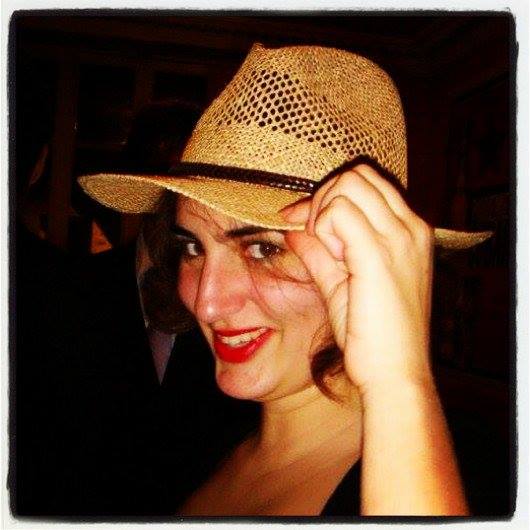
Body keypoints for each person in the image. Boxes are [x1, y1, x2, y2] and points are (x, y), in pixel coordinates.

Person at [79, 43, 493, 516]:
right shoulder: (193, 441)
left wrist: (399, 382)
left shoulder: (470, 480)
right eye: (193, 247)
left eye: (264, 249)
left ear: (369, 264)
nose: (207, 303)